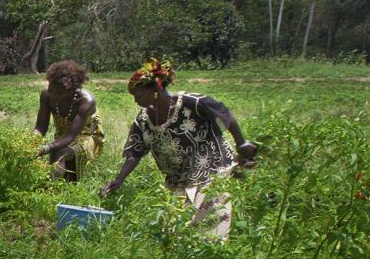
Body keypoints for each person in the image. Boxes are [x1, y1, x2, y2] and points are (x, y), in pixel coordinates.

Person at [100, 58, 259, 239]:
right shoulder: (143, 120)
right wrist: (119, 180)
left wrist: (241, 143)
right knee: (179, 233)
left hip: (212, 169)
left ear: (155, 90)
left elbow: (225, 115)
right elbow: (135, 153)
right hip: (179, 179)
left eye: (138, 94)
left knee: (209, 228)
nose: (135, 100)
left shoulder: (192, 103)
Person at [34, 59, 102, 183]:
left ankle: (55, 190)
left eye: (58, 92)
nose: (52, 94)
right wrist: (30, 142)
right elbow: (40, 127)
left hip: (86, 136)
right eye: (50, 89)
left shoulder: (86, 101)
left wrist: (44, 148)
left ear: (71, 90)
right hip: (62, 136)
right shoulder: (46, 96)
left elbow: (70, 136)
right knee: (55, 151)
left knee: (61, 152)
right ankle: (54, 188)